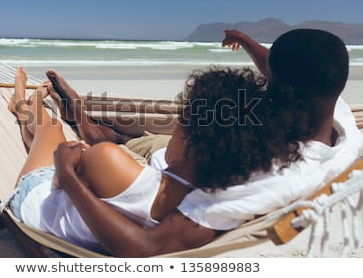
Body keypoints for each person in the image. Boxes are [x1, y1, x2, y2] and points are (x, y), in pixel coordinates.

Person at [51, 28, 363, 257]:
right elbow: (286, 70)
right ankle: (96, 125)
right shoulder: (339, 119)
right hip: (189, 153)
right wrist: (247, 42)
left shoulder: (271, 181)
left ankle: (88, 125)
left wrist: (68, 178)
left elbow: (150, 247)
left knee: (123, 144)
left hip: (167, 172)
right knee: (151, 135)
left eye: (268, 78)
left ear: (280, 88)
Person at [3, 65, 305, 254]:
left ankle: (21, 106)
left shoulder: (111, 159)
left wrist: (71, 166)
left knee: (51, 130)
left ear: (188, 139)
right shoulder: (208, 207)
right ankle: (38, 115)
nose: (173, 130)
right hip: (86, 211)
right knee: (48, 142)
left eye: (179, 124)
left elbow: (57, 179)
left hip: (35, 201)